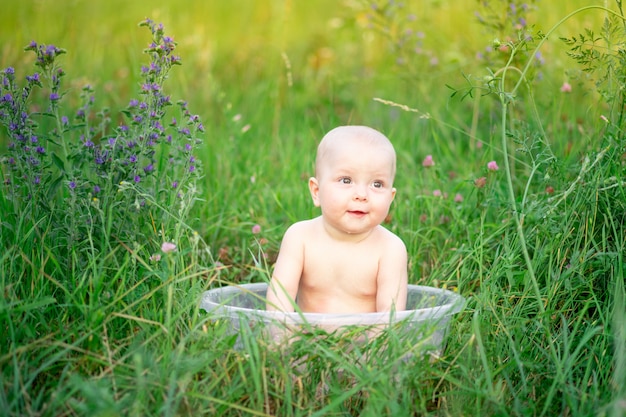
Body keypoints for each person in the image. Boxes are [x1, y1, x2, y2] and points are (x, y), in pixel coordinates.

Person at [266, 125, 408, 314]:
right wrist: (281, 340)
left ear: (391, 198)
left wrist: (376, 344)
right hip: (306, 340)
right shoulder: (299, 237)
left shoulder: (390, 249)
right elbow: (280, 300)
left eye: (377, 184)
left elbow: (390, 318)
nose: (361, 194)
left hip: (366, 342)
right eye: (346, 180)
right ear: (316, 192)